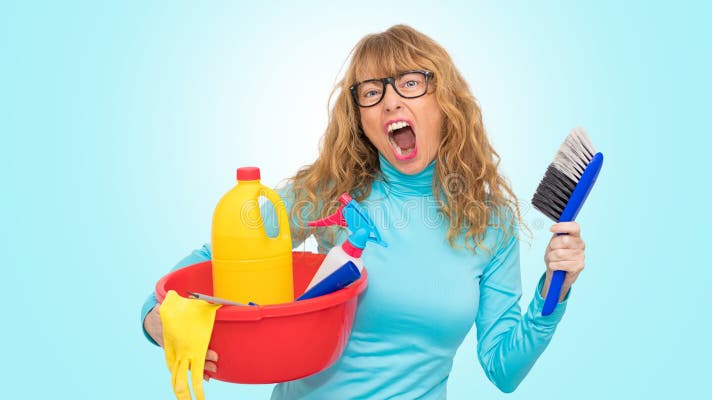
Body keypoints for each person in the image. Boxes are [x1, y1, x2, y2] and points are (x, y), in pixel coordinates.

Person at [141, 24, 586, 399]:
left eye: (410, 83)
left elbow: (503, 369)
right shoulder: (329, 193)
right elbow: (218, 257)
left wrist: (556, 290)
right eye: (372, 92)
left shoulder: (490, 224)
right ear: (360, 118)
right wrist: (154, 314)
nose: (391, 101)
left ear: (445, 102)